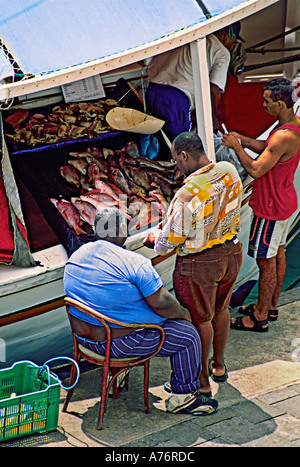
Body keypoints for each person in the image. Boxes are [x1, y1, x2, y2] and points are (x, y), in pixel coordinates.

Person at [63, 207, 218, 415]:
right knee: (187, 335)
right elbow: (162, 303)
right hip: (118, 345)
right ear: (122, 231)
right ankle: (182, 397)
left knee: (121, 313)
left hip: (85, 342)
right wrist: (184, 314)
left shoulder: (76, 256)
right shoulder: (135, 262)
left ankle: (116, 375)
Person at [144, 132, 243, 396]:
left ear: (184, 155)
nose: (176, 165)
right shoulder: (229, 170)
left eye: (176, 159)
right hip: (231, 252)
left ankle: (200, 381)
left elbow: (167, 243)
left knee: (200, 320)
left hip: (200, 264)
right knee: (221, 310)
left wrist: (154, 238)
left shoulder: (187, 194)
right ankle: (219, 366)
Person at [222, 77, 300, 331]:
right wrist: (243, 140)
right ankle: (271, 306)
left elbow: (256, 169)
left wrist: (235, 147)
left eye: (267, 101)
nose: (263, 105)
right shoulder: (292, 127)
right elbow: (268, 150)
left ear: (279, 103)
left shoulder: (282, 137)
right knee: (277, 253)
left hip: (270, 208)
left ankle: (259, 317)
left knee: (265, 263)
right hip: (283, 203)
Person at [145, 22, 244, 140]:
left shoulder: (194, 36)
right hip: (175, 99)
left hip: (153, 90)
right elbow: (214, 90)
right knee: (184, 148)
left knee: (159, 144)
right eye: (233, 43)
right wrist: (212, 120)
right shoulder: (222, 53)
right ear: (227, 36)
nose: (232, 47)